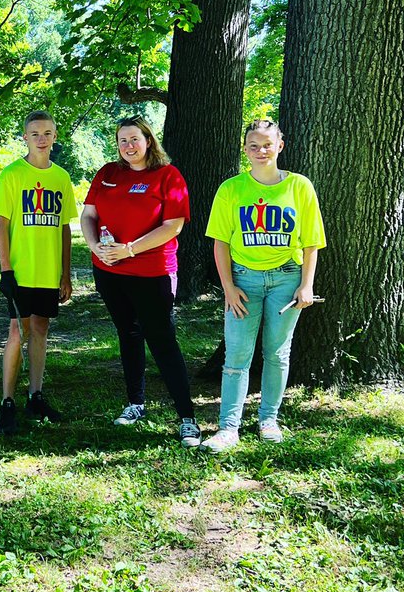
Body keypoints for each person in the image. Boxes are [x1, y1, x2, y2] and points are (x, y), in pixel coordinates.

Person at [202, 118, 325, 452]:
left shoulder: (300, 187)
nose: (260, 151)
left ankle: (268, 420)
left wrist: (306, 285)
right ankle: (228, 428)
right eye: (253, 145)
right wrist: (227, 286)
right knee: (237, 355)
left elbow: (312, 242)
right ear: (245, 149)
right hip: (244, 281)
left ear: (280, 146)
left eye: (267, 144)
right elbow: (221, 243)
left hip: (287, 279)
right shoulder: (231, 189)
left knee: (277, 353)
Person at [81, 116, 200, 447]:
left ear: (149, 140)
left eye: (134, 139)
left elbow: (173, 225)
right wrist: (96, 248)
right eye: (122, 141)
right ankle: (135, 404)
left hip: (152, 273)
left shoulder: (167, 176)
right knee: (128, 334)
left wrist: (129, 249)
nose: (129, 146)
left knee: (162, 341)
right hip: (109, 272)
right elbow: (89, 215)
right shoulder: (107, 174)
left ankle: (187, 418)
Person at [0, 111, 75, 434]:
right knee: (17, 332)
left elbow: (65, 228)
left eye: (47, 133)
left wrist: (65, 274)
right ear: (25, 137)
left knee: (41, 330)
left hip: (48, 271)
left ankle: (35, 395)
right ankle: (7, 402)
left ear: (55, 137)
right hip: (21, 271)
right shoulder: (12, 175)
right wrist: (6, 269)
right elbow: (2, 223)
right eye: (35, 133)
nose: (41, 138)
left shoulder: (61, 178)